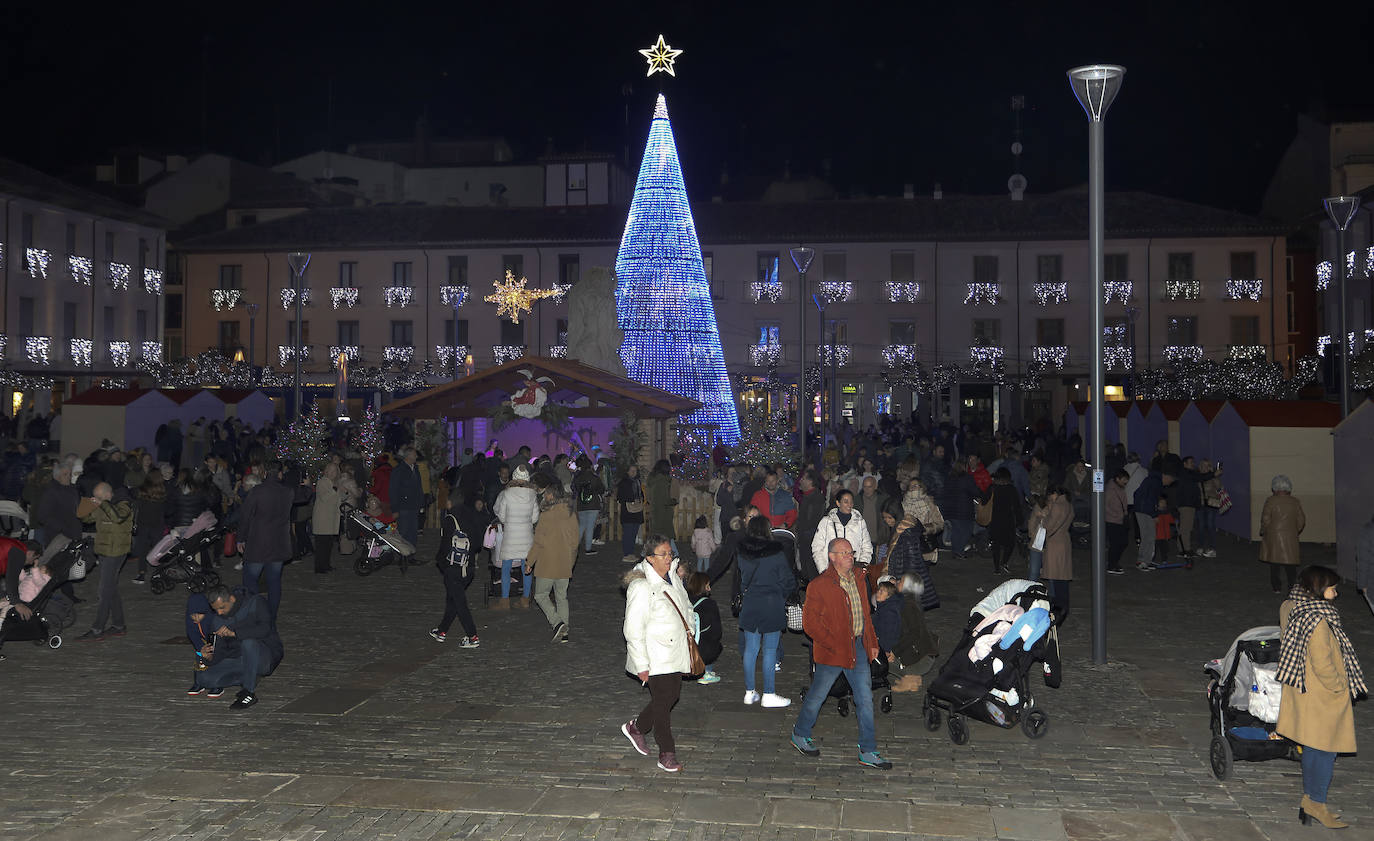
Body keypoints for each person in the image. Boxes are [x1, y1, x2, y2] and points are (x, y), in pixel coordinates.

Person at [1275, 565, 1367, 829]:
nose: (1336, 594)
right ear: (1317, 589)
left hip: (1301, 690)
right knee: (1326, 751)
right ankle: (1317, 802)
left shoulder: (1291, 606)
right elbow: (1323, 663)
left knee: (1314, 746)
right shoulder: (1317, 619)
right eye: (1332, 588)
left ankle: (1310, 800)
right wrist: (1340, 687)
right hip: (1322, 695)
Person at [789, 537, 892, 770]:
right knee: (818, 695)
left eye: (851, 552)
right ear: (832, 556)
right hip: (833, 650)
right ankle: (800, 733)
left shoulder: (858, 579)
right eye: (844, 553)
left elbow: (866, 615)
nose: (850, 556)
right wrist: (832, 643)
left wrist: (871, 642)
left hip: (857, 646)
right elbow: (810, 624)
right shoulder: (819, 585)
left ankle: (868, 750)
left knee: (864, 698)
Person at [620, 534, 693, 773]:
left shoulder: (673, 577)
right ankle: (667, 752)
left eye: (670, 553)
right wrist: (641, 664)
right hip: (654, 654)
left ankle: (637, 727)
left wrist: (691, 632)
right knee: (663, 703)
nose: (669, 558)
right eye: (663, 554)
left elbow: (686, 606)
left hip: (675, 650)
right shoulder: (641, 586)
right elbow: (632, 628)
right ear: (650, 558)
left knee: (671, 696)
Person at [187, 584, 284, 710]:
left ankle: (248, 692)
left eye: (222, 608)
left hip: (264, 654)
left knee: (248, 643)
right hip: (239, 659)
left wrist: (235, 633)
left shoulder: (255, 602)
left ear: (232, 599)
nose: (219, 612)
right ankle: (250, 675)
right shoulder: (217, 620)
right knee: (204, 679)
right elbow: (220, 652)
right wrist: (206, 656)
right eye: (215, 609)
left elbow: (265, 629)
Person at [736, 516, 797, 708]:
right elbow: (788, 580)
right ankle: (769, 694)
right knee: (770, 650)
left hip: (751, 603)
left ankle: (749, 692)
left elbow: (741, 580)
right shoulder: (776, 553)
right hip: (772, 603)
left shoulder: (742, 553)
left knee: (750, 649)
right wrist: (783, 594)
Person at [75, 482, 134, 641]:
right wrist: (87, 503)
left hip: (116, 553)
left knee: (104, 592)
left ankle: (97, 629)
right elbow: (85, 518)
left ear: (108, 494)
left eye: (100, 496)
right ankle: (118, 625)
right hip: (104, 551)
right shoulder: (103, 504)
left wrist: (102, 504)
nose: (98, 499)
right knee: (111, 589)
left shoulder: (124, 504)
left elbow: (118, 518)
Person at [429, 489, 489, 648]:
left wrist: (441, 563)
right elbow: (477, 544)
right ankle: (441, 631)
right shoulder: (471, 515)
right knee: (452, 600)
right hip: (468, 567)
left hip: (454, 568)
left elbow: (445, 546)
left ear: (450, 503)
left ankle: (472, 637)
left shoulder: (450, 519)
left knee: (460, 604)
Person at [238, 461, 293, 624]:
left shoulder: (257, 491)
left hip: (258, 543)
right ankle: (271, 616)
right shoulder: (288, 491)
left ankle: (255, 612)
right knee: (274, 582)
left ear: (264, 473)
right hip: (278, 543)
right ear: (280, 473)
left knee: (250, 580)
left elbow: (245, 516)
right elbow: (304, 495)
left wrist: (240, 538)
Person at [526, 483, 579, 643]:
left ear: (551, 496)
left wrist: (530, 561)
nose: (543, 496)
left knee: (541, 595)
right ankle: (565, 632)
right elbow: (575, 543)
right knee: (561, 597)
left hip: (547, 563)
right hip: (564, 562)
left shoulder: (546, 515)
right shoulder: (571, 514)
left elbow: (538, 542)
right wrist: (570, 562)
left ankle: (557, 623)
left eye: (546, 494)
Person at [492, 464, 539, 609]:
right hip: (526, 535)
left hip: (511, 534)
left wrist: (509, 521)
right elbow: (535, 517)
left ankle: (505, 600)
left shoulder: (506, 493)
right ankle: (525, 599)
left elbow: (500, 513)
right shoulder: (532, 495)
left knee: (506, 567)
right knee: (527, 566)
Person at [1260, 474, 1306, 594]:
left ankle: (1276, 587)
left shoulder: (1270, 501)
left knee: (1274, 564)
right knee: (1290, 565)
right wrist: (1295, 530)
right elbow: (1301, 520)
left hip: (1274, 536)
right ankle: (1292, 587)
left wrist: (1265, 530)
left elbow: (1265, 518)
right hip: (1290, 536)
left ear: (1274, 487)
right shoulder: (1295, 502)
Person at [810, 489, 873, 574]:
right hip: (832, 570)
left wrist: (861, 566)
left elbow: (867, 546)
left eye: (851, 502)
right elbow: (817, 547)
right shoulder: (826, 522)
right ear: (838, 503)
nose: (849, 505)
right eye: (846, 502)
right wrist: (824, 570)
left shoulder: (859, 522)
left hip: (853, 570)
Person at [1132, 467, 1176, 571]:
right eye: (1170, 481)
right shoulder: (1156, 482)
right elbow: (1151, 499)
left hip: (1140, 509)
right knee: (1150, 536)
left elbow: (1137, 493)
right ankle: (1144, 561)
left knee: (1146, 536)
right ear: (1166, 477)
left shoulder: (1150, 479)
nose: (1168, 484)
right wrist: (1154, 514)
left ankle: (1144, 560)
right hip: (1146, 511)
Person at [1041, 487, 1074, 620]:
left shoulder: (1057, 506)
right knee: (1063, 576)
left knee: (1055, 576)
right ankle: (1064, 605)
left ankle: (1059, 606)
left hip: (1055, 543)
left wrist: (1044, 519)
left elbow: (1048, 525)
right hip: (1064, 540)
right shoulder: (1069, 505)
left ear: (1056, 494)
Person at [685, 571, 723, 685]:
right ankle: (705, 672)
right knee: (714, 643)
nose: (710, 589)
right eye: (707, 585)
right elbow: (716, 632)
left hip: (684, 645)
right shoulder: (709, 604)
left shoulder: (684, 600)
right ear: (702, 587)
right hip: (702, 649)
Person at [985, 468, 1024, 575]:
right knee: (1010, 543)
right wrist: (1020, 520)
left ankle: (997, 568)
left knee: (996, 545)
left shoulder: (992, 488)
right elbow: (1017, 506)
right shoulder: (1011, 489)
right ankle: (1004, 562)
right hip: (1008, 520)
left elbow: (984, 501)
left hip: (995, 520)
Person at [570, 456, 605, 556]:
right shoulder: (594, 478)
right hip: (593, 504)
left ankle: (574, 547)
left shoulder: (577, 478)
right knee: (590, 526)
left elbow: (573, 488)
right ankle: (588, 548)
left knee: (581, 525)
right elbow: (601, 489)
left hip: (581, 504)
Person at [311, 463, 343, 574]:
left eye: (335, 471)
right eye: (331, 470)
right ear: (326, 471)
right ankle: (320, 567)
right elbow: (324, 497)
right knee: (321, 545)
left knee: (328, 545)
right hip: (323, 519)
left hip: (331, 518)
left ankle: (325, 565)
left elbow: (339, 498)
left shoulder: (335, 483)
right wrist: (335, 490)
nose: (333, 473)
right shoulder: (322, 482)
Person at [389, 447, 423, 548]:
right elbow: (393, 490)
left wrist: (421, 503)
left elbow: (418, 487)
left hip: (413, 506)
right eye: (414, 454)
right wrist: (395, 509)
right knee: (404, 532)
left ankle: (411, 554)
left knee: (413, 532)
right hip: (403, 507)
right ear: (408, 456)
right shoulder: (399, 470)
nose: (416, 456)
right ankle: (403, 555)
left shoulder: (415, 469)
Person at [645, 459, 677, 551]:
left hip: (656, 510)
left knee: (656, 536)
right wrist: (672, 501)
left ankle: (645, 554)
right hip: (663, 513)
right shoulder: (662, 481)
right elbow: (664, 499)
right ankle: (675, 556)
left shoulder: (653, 480)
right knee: (665, 536)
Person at [616, 464, 645, 561]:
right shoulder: (623, 483)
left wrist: (640, 499)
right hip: (627, 511)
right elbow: (620, 496)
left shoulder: (637, 482)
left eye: (635, 471)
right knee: (628, 533)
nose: (633, 472)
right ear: (627, 471)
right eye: (631, 470)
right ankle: (627, 553)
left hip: (636, 511)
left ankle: (631, 553)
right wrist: (632, 499)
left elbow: (641, 494)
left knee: (633, 533)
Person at [1154, 495, 1177, 567]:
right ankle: (1151, 559)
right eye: (1161, 502)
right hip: (1157, 535)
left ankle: (1164, 560)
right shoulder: (1155, 513)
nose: (1163, 504)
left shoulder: (1167, 513)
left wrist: (1175, 520)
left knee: (1164, 549)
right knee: (1154, 548)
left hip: (1165, 535)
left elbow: (1172, 521)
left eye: (1164, 503)